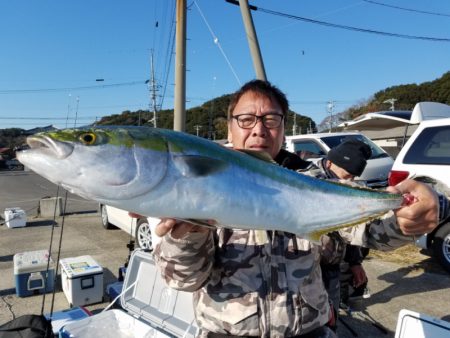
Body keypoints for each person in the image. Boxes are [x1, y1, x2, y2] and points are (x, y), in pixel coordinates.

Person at [153, 79, 446, 338]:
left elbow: (371, 230)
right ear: (230, 125)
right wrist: (188, 236)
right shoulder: (200, 185)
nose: (258, 130)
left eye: (270, 119)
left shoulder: (313, 183)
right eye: (245, 119)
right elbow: (183, 280)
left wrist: (409, 219)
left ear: (282, 128)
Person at [299, 139, 373, 326]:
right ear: (330, 162)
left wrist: (355, 262)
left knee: (331, 320)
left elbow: (349, 227)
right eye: (347, 175)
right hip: (306, 270)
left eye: (353, 178)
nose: (349, 182)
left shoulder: (343, 185)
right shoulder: (307, 181)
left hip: (334, 267)